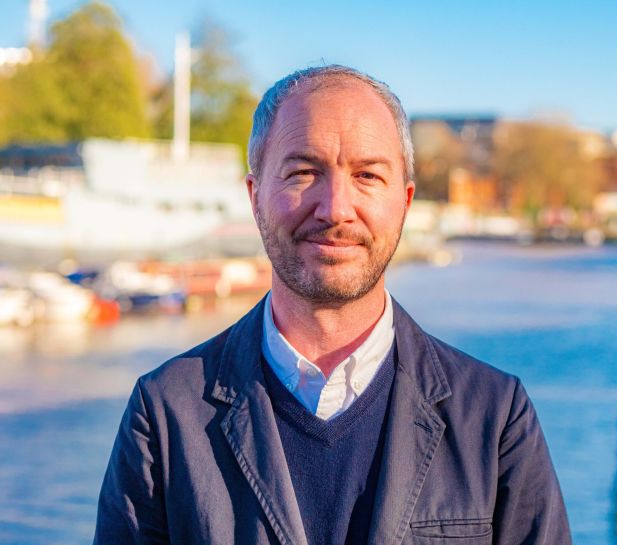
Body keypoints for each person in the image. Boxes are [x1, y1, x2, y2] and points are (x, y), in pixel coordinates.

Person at [94, 65, 571, 545]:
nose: (336, 209)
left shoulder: (493, 417)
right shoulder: (165, 413)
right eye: (303, 172)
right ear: (255, 196)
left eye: (367, 175)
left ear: (404, 202)